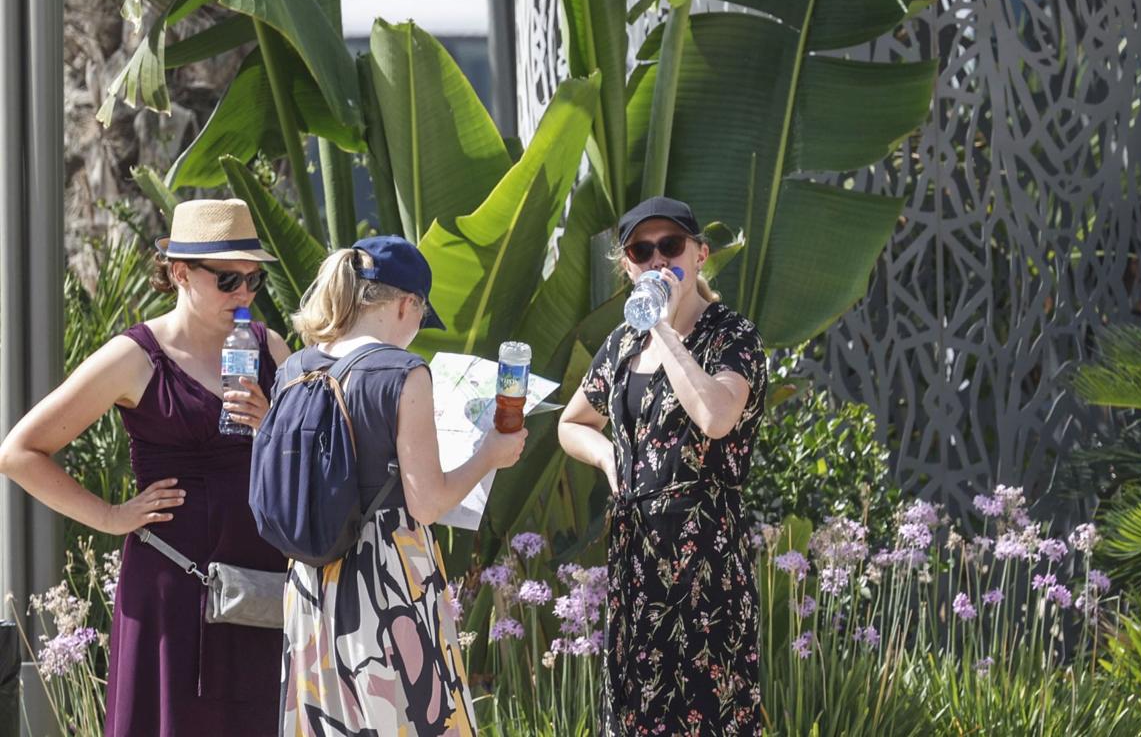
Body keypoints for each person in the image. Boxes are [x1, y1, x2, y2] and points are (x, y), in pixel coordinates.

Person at [0, 199, 292, 736]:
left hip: (258, 589)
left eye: (254, 279)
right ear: (180, 272)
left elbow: (301, 459)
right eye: (228, 279)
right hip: (173, 586)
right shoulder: (134, 357)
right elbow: (19, 452)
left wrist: (269, 422)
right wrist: (110, 517)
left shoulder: (269, 347)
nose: (245, 294)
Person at [279, 235, 528, 737]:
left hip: (310, 581)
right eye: (420, 316)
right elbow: (429, 501)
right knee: (411, 718)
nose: (417, 330)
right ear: (406, 304)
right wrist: (490, 456)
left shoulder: (295, 366)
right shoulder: (402, 371)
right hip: (386, 576)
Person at [558, 196, 769, 736]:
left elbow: (716, 416)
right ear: (627, 265)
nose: (656, 261)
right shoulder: (623, 344)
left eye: (669, 246)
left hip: (706, 571)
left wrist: (666, 330)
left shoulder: (731, 338)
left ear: (699, 255)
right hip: (637, 568)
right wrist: (609, 457)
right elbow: (572, 423)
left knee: (711, 717)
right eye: (640, 250)